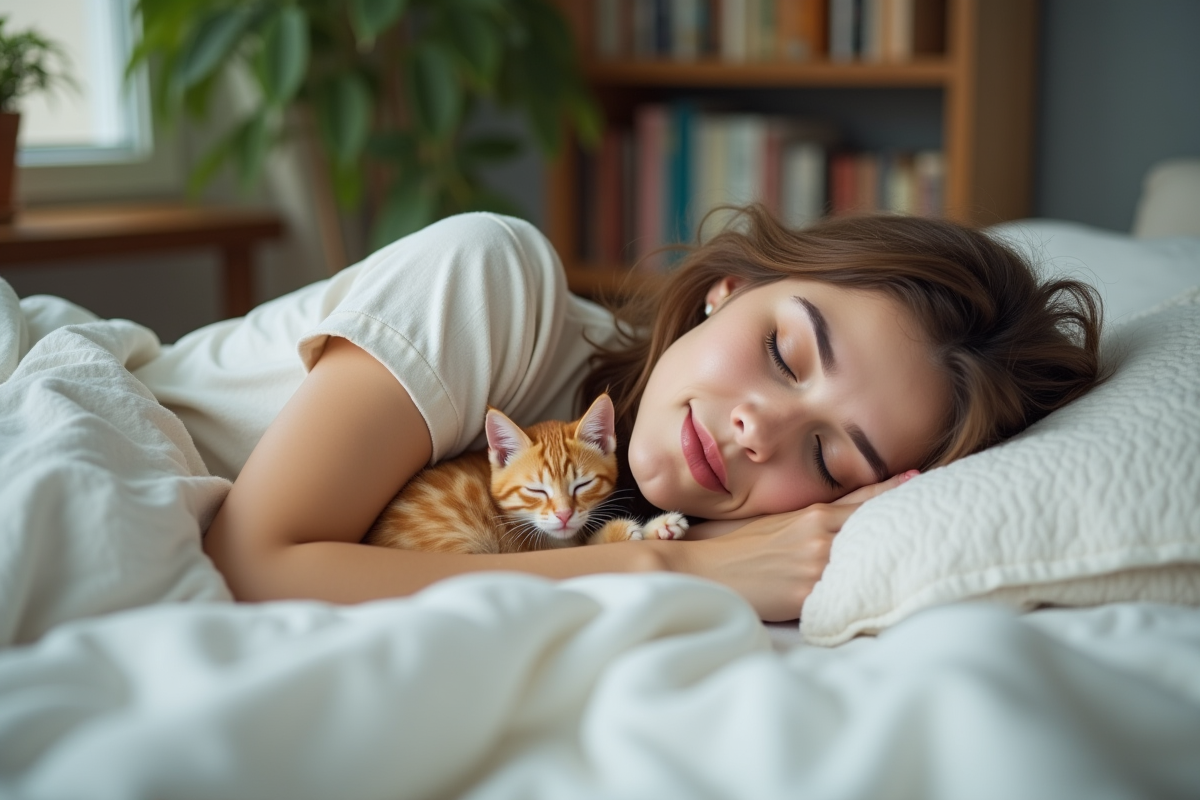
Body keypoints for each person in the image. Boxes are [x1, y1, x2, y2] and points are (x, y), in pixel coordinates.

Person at [139, 207, 1102, 622]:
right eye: (783, 349)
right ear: (729, 288)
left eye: (832, 456)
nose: (758, 430)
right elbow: (250, 565)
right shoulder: (497, 282)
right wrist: (675, 566)